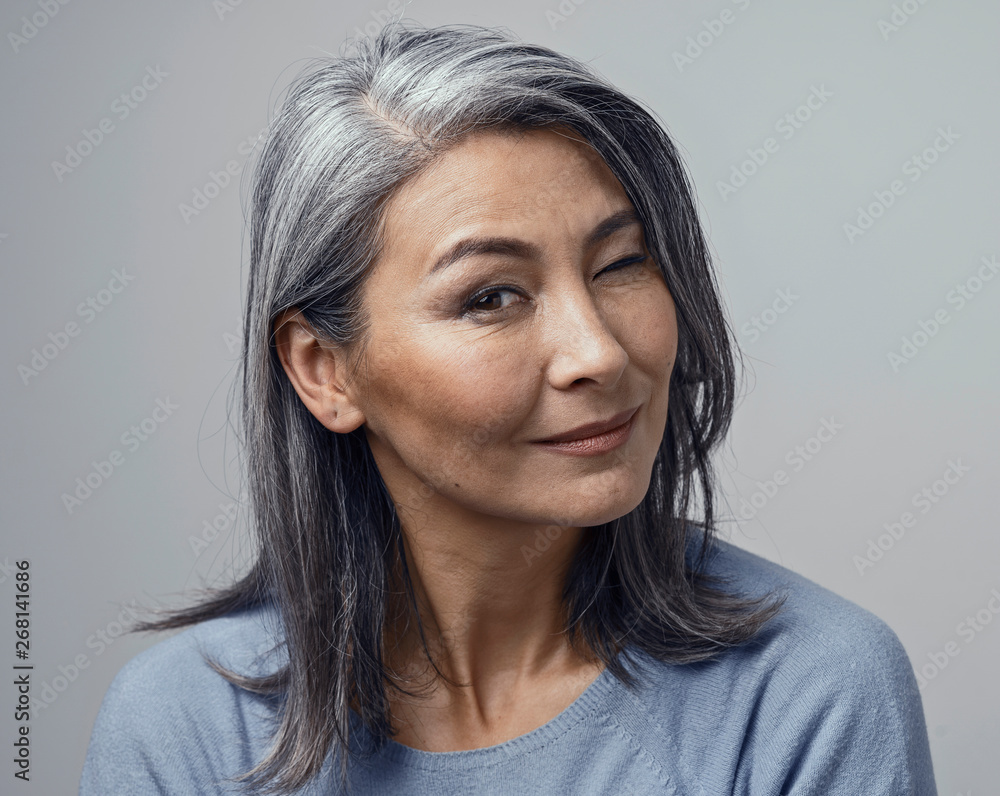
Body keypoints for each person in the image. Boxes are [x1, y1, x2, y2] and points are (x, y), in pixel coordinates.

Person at [79, 21, 937, 796]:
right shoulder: (182, 726)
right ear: (324, 370)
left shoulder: (814, 693)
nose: (598, 351)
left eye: (621, 263)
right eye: (490, 297)